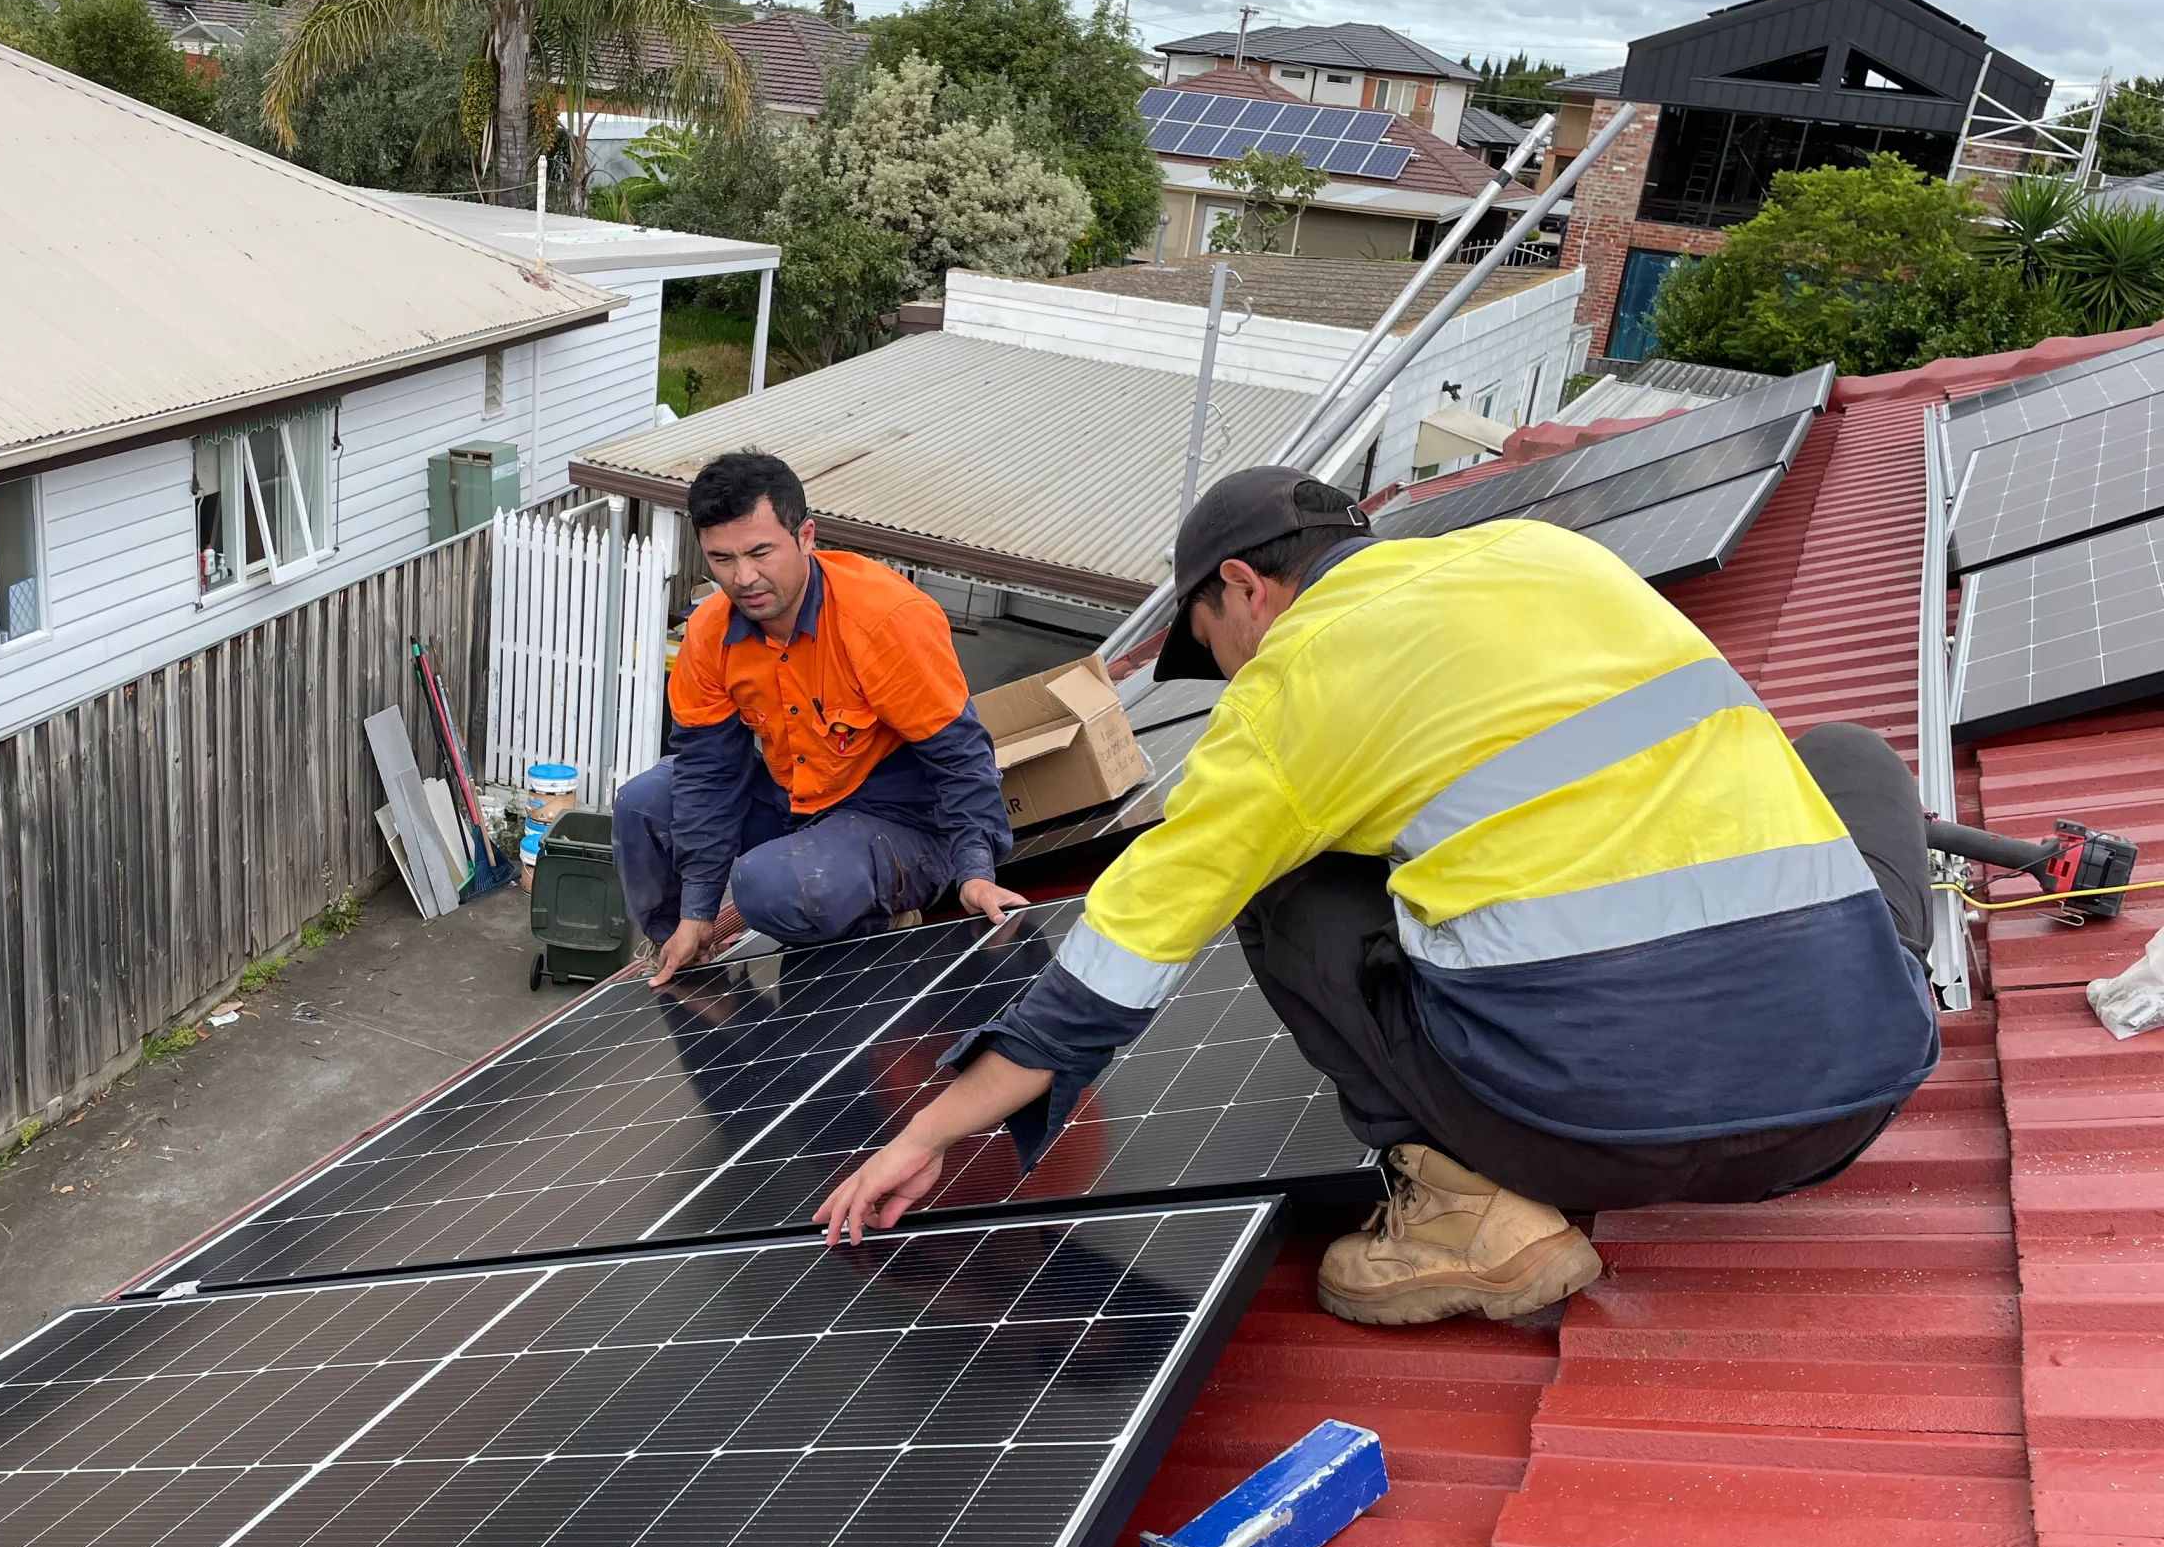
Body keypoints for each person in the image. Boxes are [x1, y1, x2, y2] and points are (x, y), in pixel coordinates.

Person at [816, 468, 1943, 1327]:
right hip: (1847, 1104)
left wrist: (927, 1132)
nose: (1233, 681)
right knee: (1844, 754)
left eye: (1217, 649)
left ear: (1244, 588)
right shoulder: (1553, 558)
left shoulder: (1292, 690)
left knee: (1276, 872)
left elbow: (1107, 976)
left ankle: (1459, 1208)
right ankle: (1872, 997)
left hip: (1591, 1134)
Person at [618, 449, 1027, 985]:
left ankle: (871, 922)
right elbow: (708, 774)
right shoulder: (710, 632)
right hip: (795, 802)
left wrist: (975, 871)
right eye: (721, 559)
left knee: (768, 885)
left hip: (897, 821)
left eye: (761, 552)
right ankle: (685, 954)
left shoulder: (884, 619)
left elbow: (961, 756)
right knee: (642, 804)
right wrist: (698, 910)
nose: (743, 578)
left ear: (806, 535)